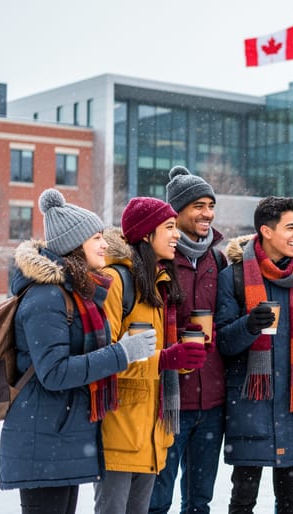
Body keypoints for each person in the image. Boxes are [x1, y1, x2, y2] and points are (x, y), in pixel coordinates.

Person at [0, 188, 157, 514]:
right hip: (42, 440)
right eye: (96, 237)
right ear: (74, 244)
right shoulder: (47, 298)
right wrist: (122, 353)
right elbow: (54, 373)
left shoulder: (74, 293)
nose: (104, 244)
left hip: (59, 435)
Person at [215, 196, 293, 514]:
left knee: (292, 502)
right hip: (250, 406)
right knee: (242, 500)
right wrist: (249, 326)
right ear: (267, 231)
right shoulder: (234, 277)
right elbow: (223, 343)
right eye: (291, 227)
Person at [96, 197, 208, 514]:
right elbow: (102, 358)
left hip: (150, 435)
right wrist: (164, 360)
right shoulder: (117, 281)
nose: (177, 235)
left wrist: (184, 359)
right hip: (119, 431)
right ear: (146, 235)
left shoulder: (158, 284)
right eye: (169, 227)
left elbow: (157, 357)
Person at [149, 166, 228, 514]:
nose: (207, 213)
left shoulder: (219, 259)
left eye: (210, 205)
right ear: (176, 211)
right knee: (157, 501)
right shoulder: (157, 260)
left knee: (199, 502)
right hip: (168, 401)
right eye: (198, 205)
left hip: (211, 403)